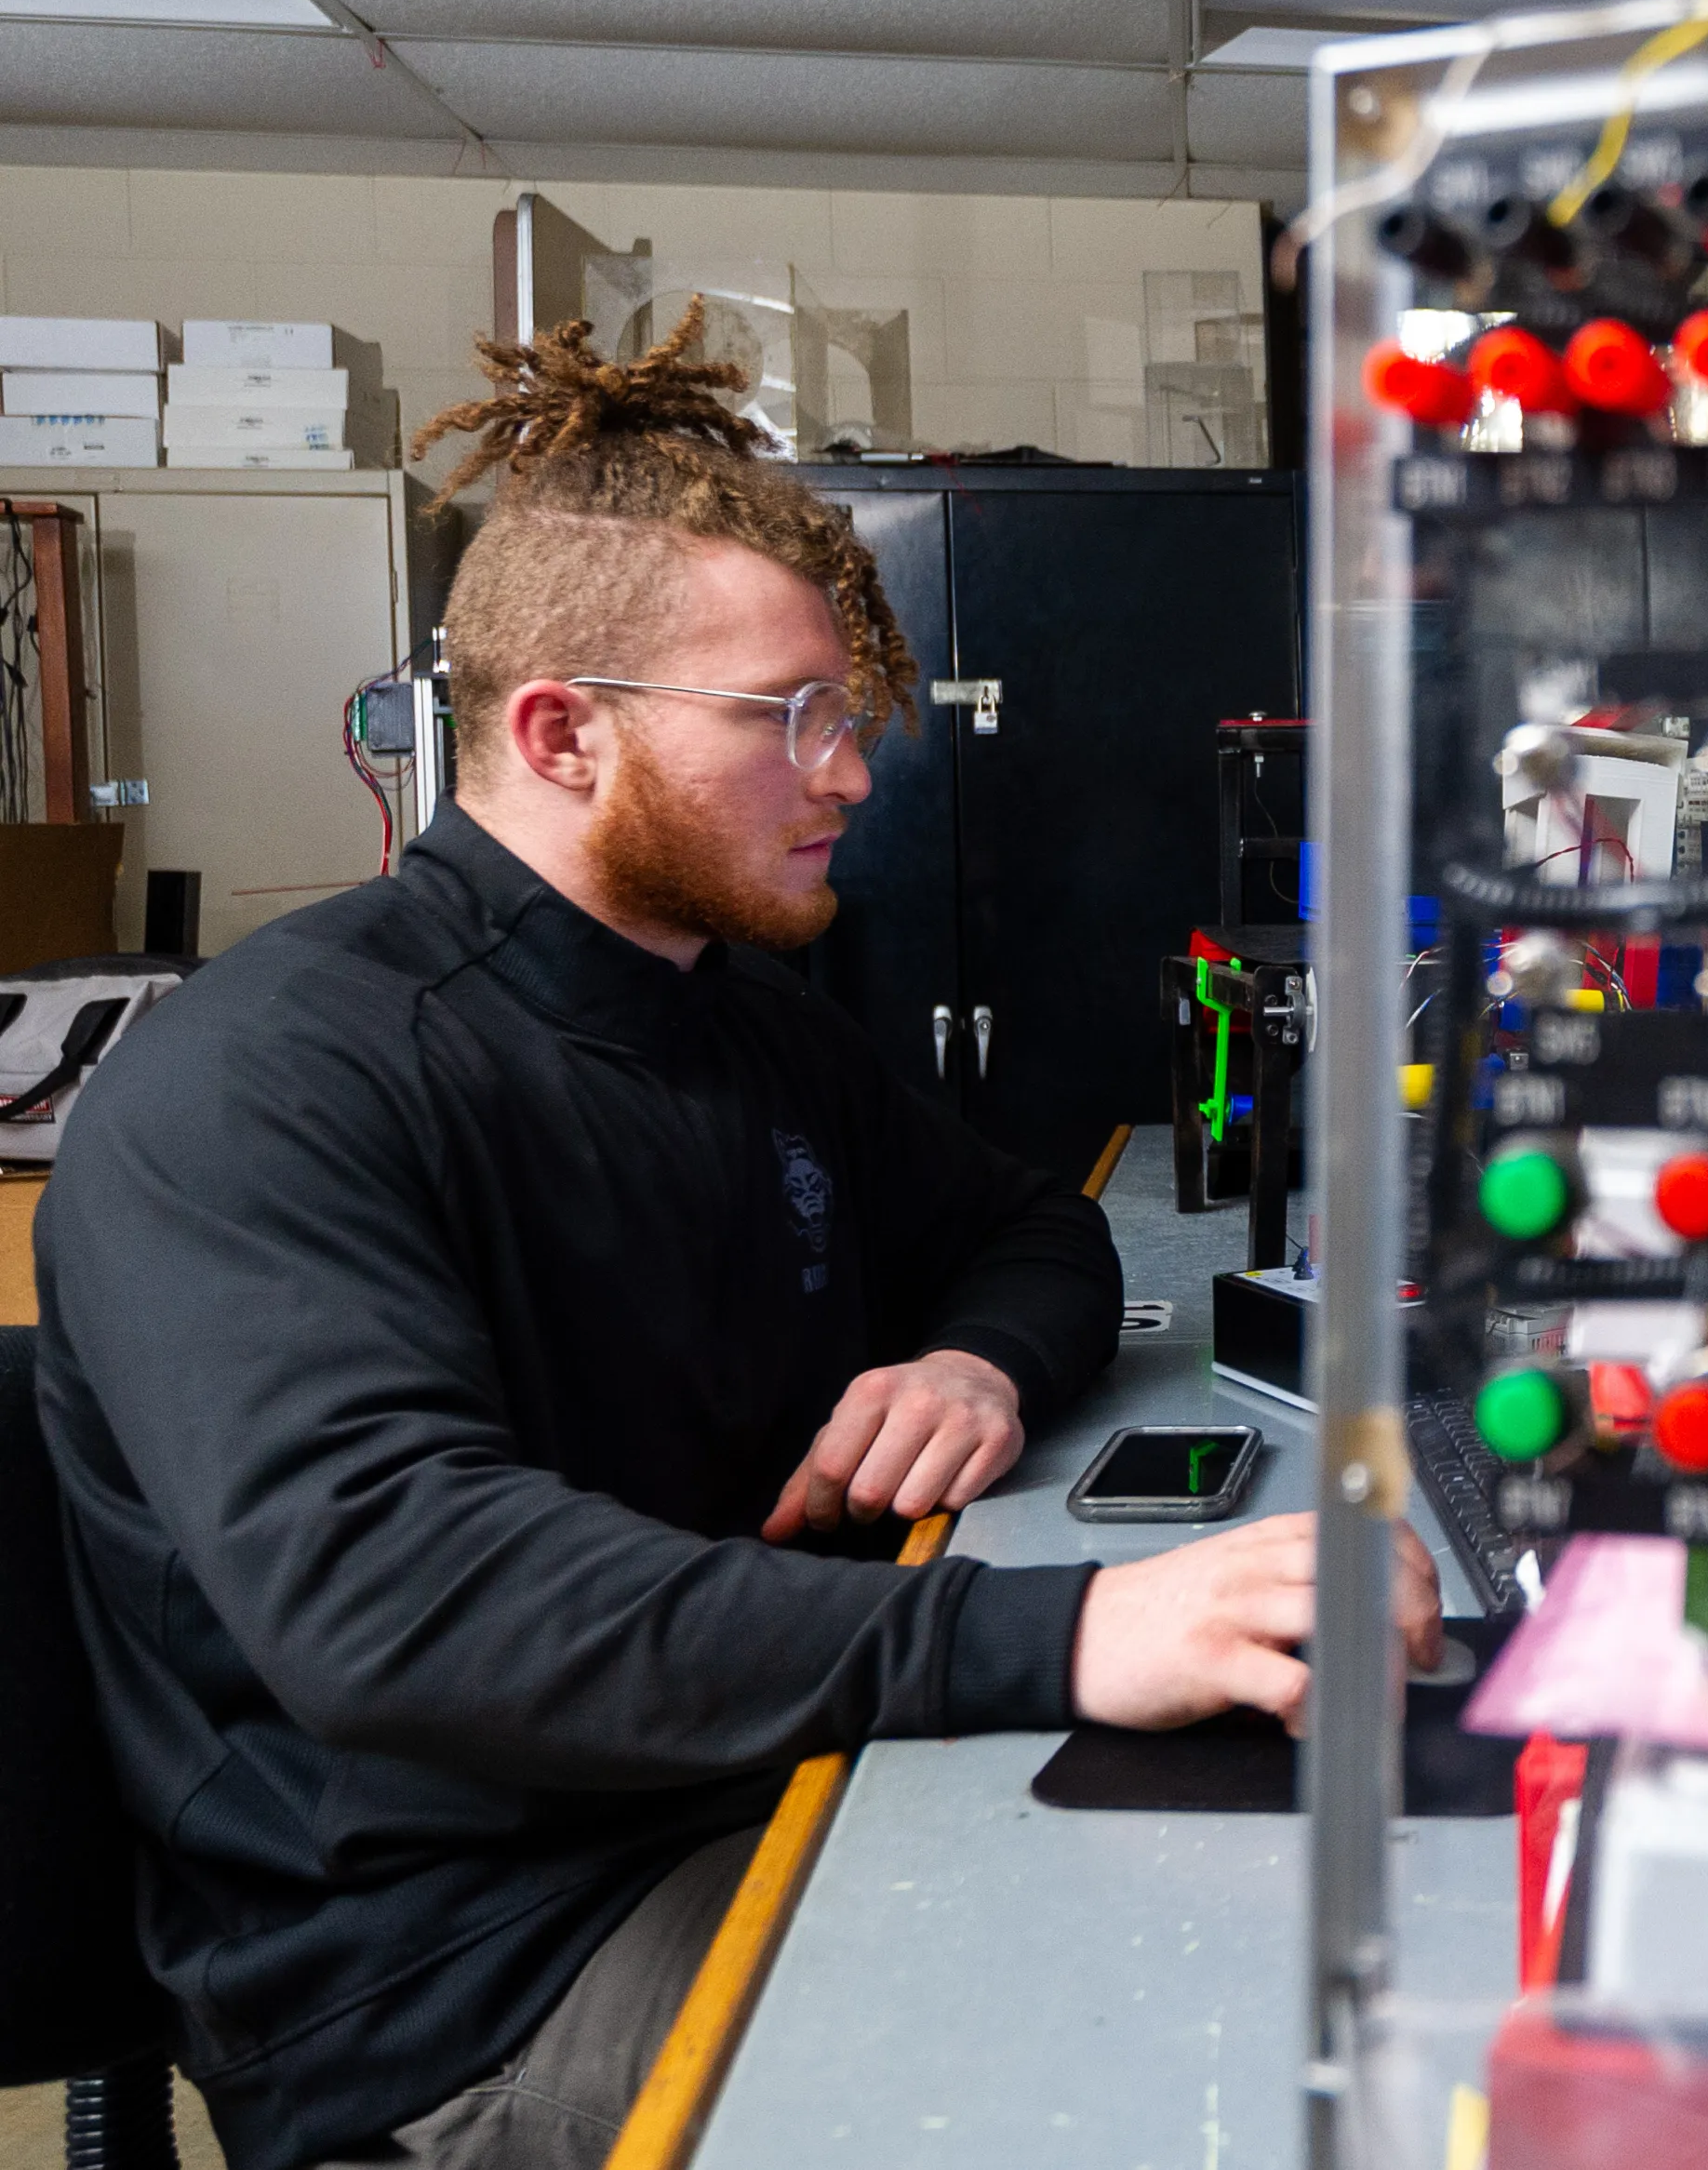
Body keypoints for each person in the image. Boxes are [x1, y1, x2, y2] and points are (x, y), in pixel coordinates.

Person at [32, 310, 1439, 2170]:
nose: (848, 774)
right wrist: (1073, 1627)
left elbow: (1034, 1228)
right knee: (1169, 2087)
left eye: (846, 718)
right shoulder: (265, 1083)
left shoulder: (732, 1014)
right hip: (476, 1968)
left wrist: (972, 1361)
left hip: (758, 1776)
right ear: (560, 731)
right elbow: (404, 1603)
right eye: (790, 719)